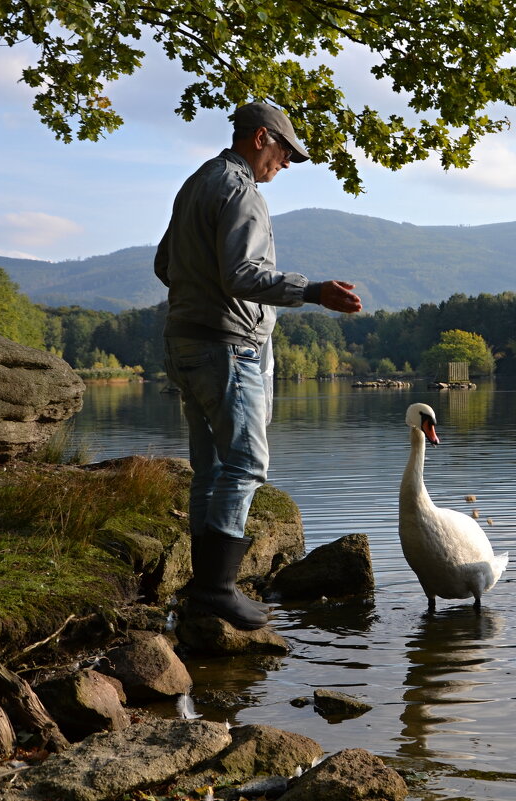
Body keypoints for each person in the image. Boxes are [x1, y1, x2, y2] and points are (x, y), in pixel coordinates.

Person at [154, 102, 362, 630]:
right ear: (262, 139)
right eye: (286, 152)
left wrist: (200, 293)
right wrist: (313, 291)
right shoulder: (243, 191)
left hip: (185, 343)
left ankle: (204, 591)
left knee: (213, 468)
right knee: (246, 464)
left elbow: (164, 264)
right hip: (226, 348)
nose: (286, 164)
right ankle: (217, 589)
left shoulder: (196, 183)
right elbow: (243, 274)